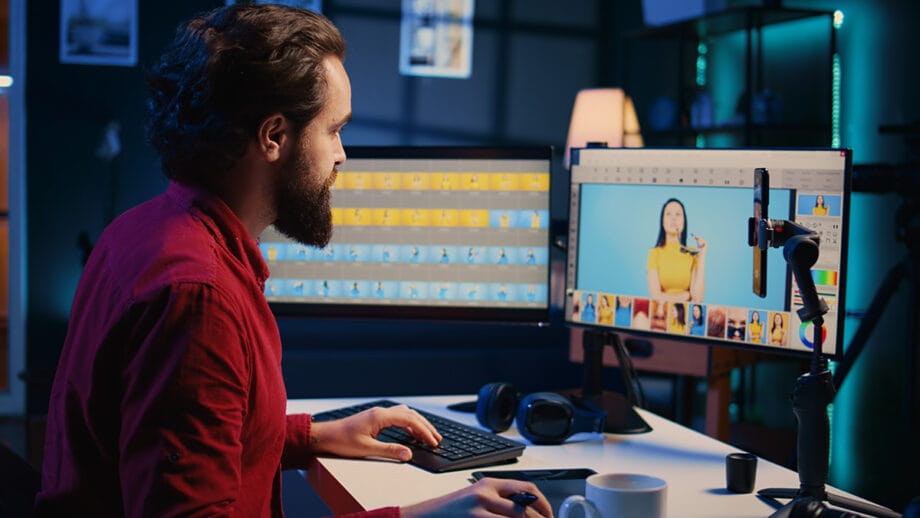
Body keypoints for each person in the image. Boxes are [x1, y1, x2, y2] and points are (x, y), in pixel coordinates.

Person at [35, 5, 551, 518]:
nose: (342, 155)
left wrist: (319, 435)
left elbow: (199, 437)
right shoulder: (200, 295)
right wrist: (428, 516)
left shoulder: (140, 231)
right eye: (334, 130)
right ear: (274, 136)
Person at [647, 198, 707, 302]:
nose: (673, 218)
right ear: (662, 221)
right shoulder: (655, 253)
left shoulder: (692, 254)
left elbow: (697, 298)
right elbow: (655, 295)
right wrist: (683, 296)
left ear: (684, 222)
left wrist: (702, 256)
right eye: (668, 214)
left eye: (678, 214)